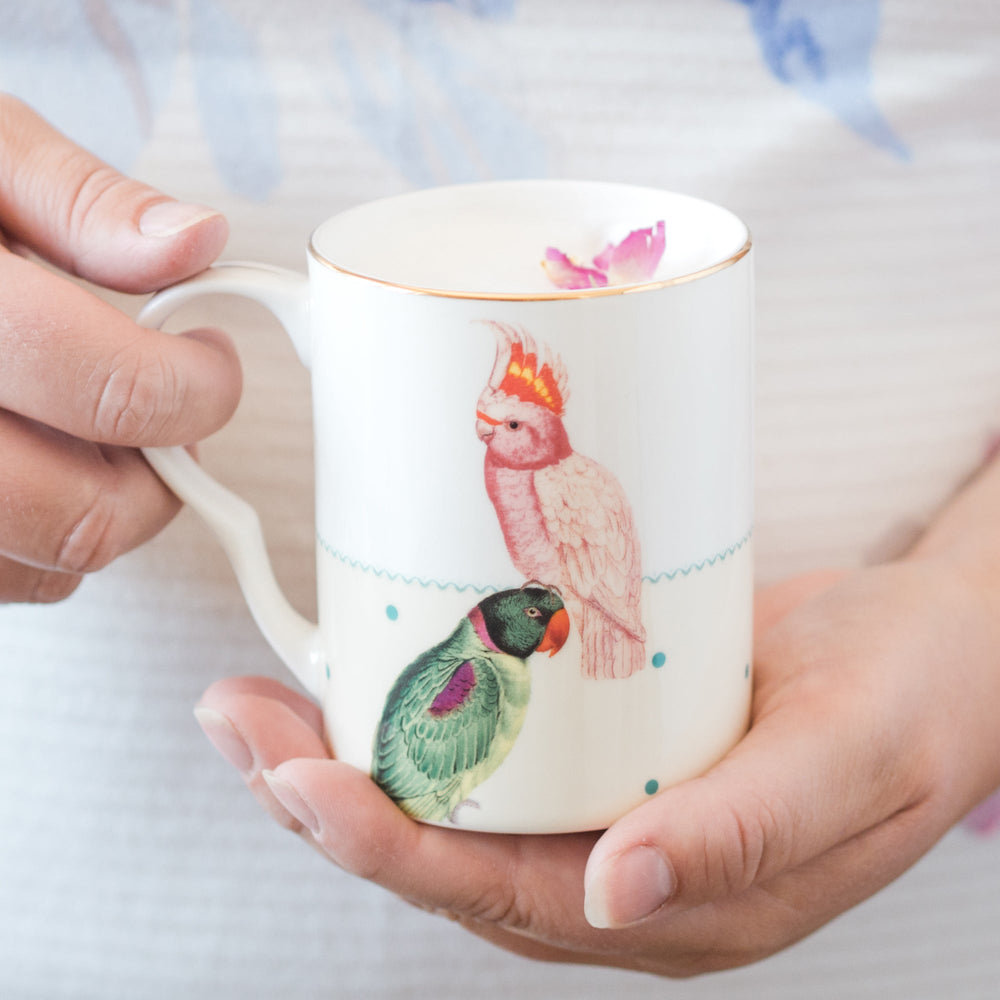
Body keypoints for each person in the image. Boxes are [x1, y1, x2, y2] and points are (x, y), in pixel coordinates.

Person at [2, 2, 998, 995]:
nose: (492, 440)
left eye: (509, 429)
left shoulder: (566, 486)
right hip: (102, 904)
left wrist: (975, 607)